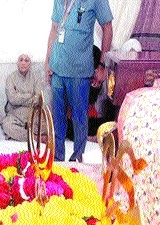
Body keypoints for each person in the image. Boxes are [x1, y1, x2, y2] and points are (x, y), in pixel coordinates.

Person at [45, 0, 113, 162]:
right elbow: (54, 29)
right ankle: (58, 157)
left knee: (79, 116)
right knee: (57, 116)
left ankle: (77, 156)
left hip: (80, 71)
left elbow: (107, 28)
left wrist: (102, 65)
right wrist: (48, 61)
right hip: (57, 68)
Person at [1, 52, 46, 142]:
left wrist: (20, 97)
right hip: (15, 115)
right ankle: (35, 138)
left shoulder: (36, 77)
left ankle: (21, 135)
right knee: (6, 125)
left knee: (48, 125)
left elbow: (37, 99)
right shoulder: (11, 78)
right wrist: (30, 95)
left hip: (33, 115)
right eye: (21, 60)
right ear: (17, 63)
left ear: (30, 64)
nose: (23, 63)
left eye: (26, 60)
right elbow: (12, 99)